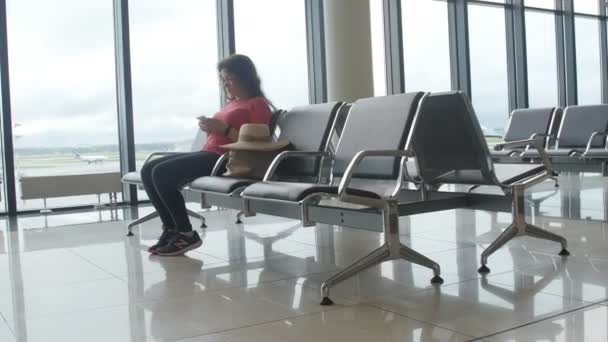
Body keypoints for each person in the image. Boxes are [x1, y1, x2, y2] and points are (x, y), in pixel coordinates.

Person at [142, 54, 272, 256]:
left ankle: (186, 233)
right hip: (210, 153)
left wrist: (225, 129)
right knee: (148, 169)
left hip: (226, 159)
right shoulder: (231, 104)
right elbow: (221, 132)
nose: (225, 84)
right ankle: (172, 230)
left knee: (161, 172)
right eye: (223, 80)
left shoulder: (257, 104)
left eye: (229, 79)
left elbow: (258, 143)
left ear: (245, 77)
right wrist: (210, 128)